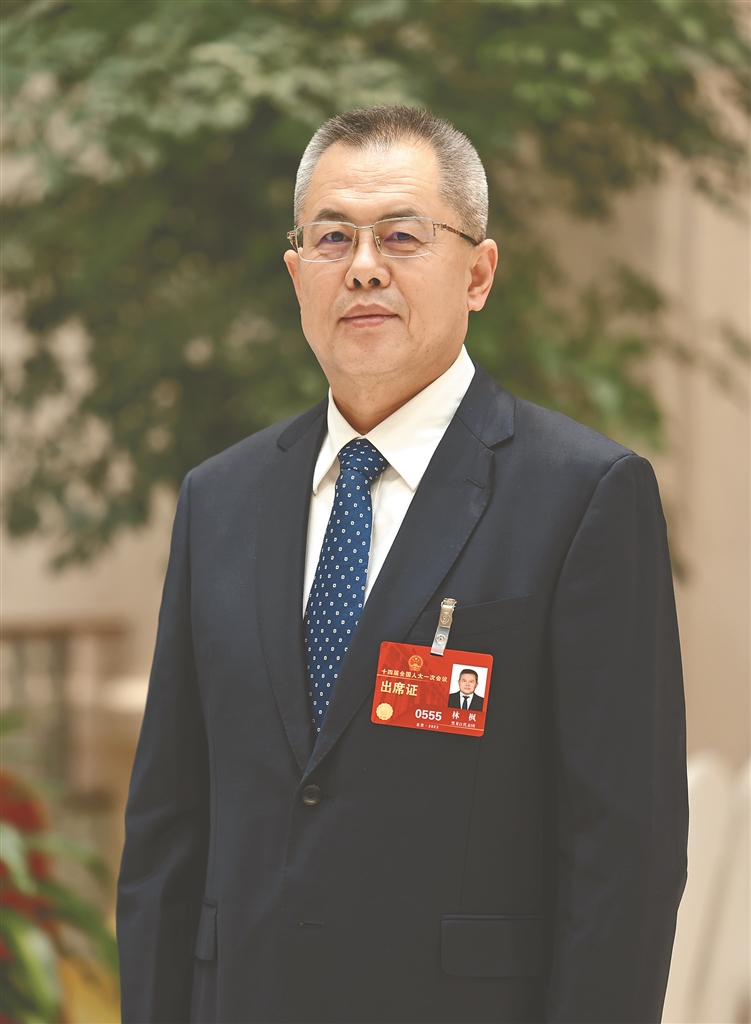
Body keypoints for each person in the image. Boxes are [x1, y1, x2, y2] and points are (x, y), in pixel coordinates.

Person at [117, 105, 688, 1024]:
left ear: (478, 273)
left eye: (401, 236)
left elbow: (623, 854)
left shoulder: (583, 495)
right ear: (297, 273)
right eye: (331, 238)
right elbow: (167, 830)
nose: (363, 266)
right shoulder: (217, 499)